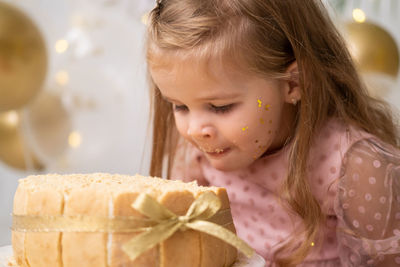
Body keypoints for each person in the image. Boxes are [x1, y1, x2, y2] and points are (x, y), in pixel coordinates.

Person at [145, 0, 400, 265]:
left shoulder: (356, 167)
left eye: (220, 107)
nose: (195, 130)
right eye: (180, 106)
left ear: (293, 83)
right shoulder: (199, 151)